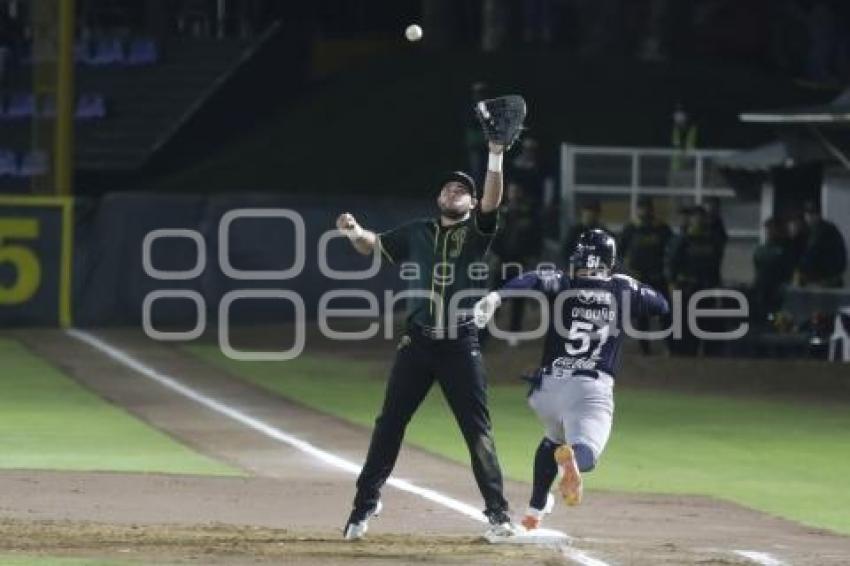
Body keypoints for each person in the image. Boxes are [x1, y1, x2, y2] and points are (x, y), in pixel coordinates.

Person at [336, 141, 516, 540]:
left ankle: (498, 513)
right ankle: (364, 504)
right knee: (389, 425)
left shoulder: (477, 231)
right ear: (439, 197)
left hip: (460, 344)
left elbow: (492, 198)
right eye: (449, 188)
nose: (454, 192)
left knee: (476, 430)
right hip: (417, 344)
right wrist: (354, 232)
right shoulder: (418, 231)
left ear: (471, 202)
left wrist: (496, 153)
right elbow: (375, 245)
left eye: (462, 190)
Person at [472, 229, 669, 530]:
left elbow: (532, 278)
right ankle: (573, 461)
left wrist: (498, 295)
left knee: (554, 438)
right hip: (590, 388)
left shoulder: (564, 281)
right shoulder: (623, 287)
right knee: (587, 450)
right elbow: (662, 306)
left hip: (548, 387)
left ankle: (535, 510)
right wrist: (626, 287)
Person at [665, 206, 723, 356]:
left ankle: (699, 351)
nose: (698, 220)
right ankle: (682, 352)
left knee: (703, 321)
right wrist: (672, 284)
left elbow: (715, 266)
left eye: (701, 217)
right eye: (695, 217)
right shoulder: (682, 239)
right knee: (684, 323)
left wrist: (717, 289)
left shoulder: (711, 240)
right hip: (686, 287)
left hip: (705, 287)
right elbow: (671, 263)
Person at [619, 197, 673, 354]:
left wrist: (667, 271)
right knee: (642, 315)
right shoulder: (631, 229)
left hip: (658, 276)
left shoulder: (662, 229)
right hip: (639, 278)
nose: (644, 212)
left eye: (647, 208)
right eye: (641, 208)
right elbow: (620, 251)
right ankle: (645, 348)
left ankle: (669, 345)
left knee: (664, 312)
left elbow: (671, 250)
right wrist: (628, 270)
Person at [493, 182, 542, 336]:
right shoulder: (500, 212)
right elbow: (492, 236)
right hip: (502, 259)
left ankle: (515, 330)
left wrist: (533, 256)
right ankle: (489, 326)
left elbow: (536, 237)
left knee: (519, 296)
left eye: (516, 192)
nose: (513, 195)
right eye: (511, 192)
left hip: (521, 260)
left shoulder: (529, 214)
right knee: (496, 293)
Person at [795, 201, 848, 287]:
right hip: (826, 279)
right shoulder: (813, 231)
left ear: (818, 215)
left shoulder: (822, 231)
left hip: (825, 280)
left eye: (812, 214)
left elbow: (812, 253)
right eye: (807, 214)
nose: (809, 217)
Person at [752, 218, 794, 321]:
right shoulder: (762, 249)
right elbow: (757, 263)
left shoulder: (784, 249)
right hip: (762, 285)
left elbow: (787, 268)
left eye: (772, 230)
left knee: (774, 311)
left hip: (777, 286)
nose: (769, 232)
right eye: (767, 230)